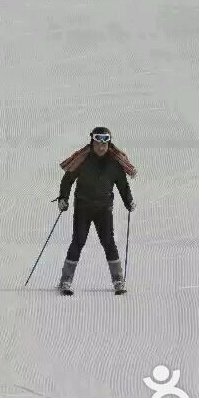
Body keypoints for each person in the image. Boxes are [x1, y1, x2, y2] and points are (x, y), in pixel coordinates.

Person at [54, 126, 136, 294]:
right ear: (92, 143)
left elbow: (122, 184)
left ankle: (118, 280)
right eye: (98, 144)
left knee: (108, 242)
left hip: (103, 209)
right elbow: (67, 180)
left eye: (104, 144)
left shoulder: (114, 164)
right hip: (83, 207)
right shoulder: (82, 160)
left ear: (108, 144)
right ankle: (65, 281)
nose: (101, 147)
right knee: (78, 241)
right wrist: (63, 198)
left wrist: (129, 201)